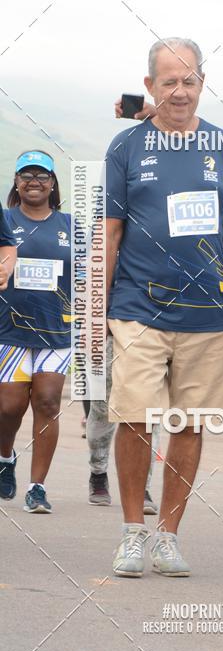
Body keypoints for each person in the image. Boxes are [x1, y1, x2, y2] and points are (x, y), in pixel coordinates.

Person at [106, 37, 223, 578]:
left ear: (202, 84)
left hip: (207, 314)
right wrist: (98, 304)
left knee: (188, 423)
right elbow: (111, 229)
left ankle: (168, 536)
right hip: (137, 306)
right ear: (149, 86)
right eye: (168, 80)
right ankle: (132, 532)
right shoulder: (126, 147)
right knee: (136, 417)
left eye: (189, 80)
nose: (179, 90)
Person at [0, 151, 72, 513]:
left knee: (47, 402)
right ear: (15, 181)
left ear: (52, 183)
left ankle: (37, 487)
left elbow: (90, 276)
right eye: (25, 174)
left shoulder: (71, 226)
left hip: (57, 332)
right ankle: (5, 457)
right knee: (9, 406)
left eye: (42, 175)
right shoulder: (4, 220)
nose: (34, 181)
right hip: (9, 331)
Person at [86, 331, 159, 513]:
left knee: (149, 414)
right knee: (102, 410)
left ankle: (142, 488)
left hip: (155, 336)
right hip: (111, 334)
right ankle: (98, 473)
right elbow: (93, 301)